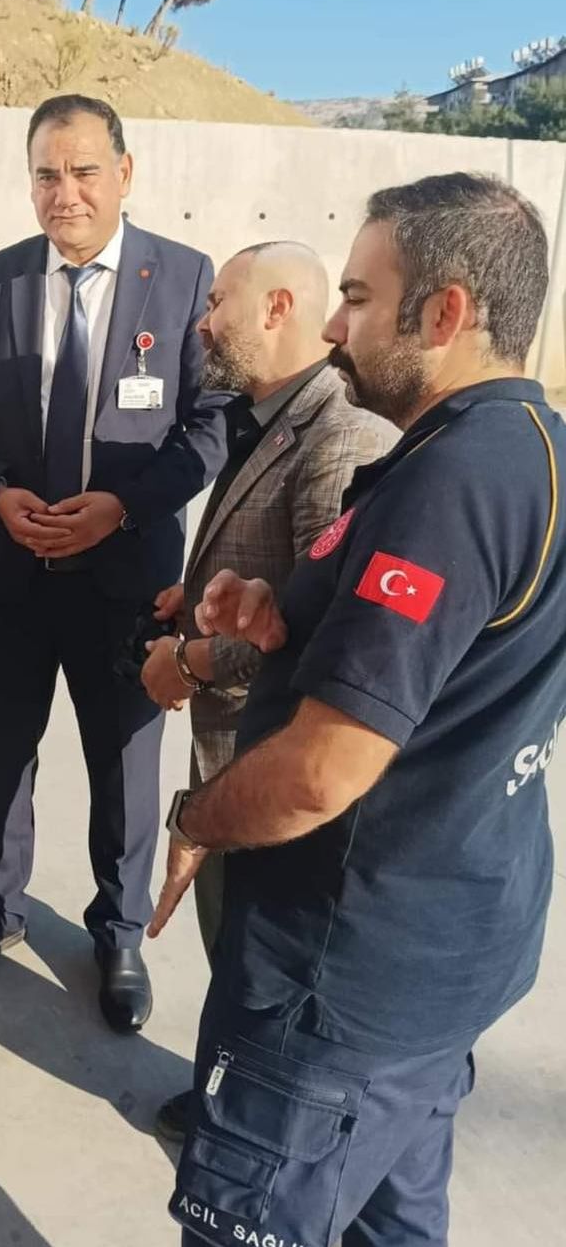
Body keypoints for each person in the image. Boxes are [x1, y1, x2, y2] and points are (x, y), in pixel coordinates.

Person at [150, 173, 565, 1247]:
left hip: (337, 980)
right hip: (443, 954)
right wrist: (286, 614)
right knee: (394, 1222)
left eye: (357, 296)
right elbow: (458, 659)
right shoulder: (525, 447)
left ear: (444, 313)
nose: (335, 328)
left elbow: (316, 775)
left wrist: (196, 820)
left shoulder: (453, 482)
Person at [0, 94, 227, 1033]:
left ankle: (120, 930)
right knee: (0, 750)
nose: (65, 194)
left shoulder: (184, 279)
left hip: (128, 578)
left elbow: (208, 427)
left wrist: (120, 507)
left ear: (124, 174)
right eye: (46, 175)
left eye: (84, 171)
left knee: (126, 763)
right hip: (13, 567)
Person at [141, 242, 395, 983]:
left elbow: (320, 633)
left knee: (255, 971)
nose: (203, 323)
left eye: (218, 302)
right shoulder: (271, 415)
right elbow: (280, 571)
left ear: (276, 307)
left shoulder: (339, 434)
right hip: (237, 754)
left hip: (275, 768)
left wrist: (189, 663)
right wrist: (197, 597)